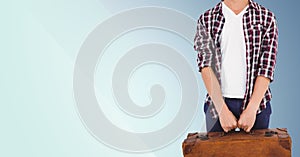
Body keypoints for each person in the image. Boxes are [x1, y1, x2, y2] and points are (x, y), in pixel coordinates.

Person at [194, 0, 278, 132]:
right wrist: (222, 110)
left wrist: (252, 108)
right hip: (217, 105)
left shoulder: (266, 17)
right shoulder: (207, 19)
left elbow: (267, 67)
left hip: (258, 104)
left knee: (258, 152)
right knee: (216, 152)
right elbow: (206, 66)